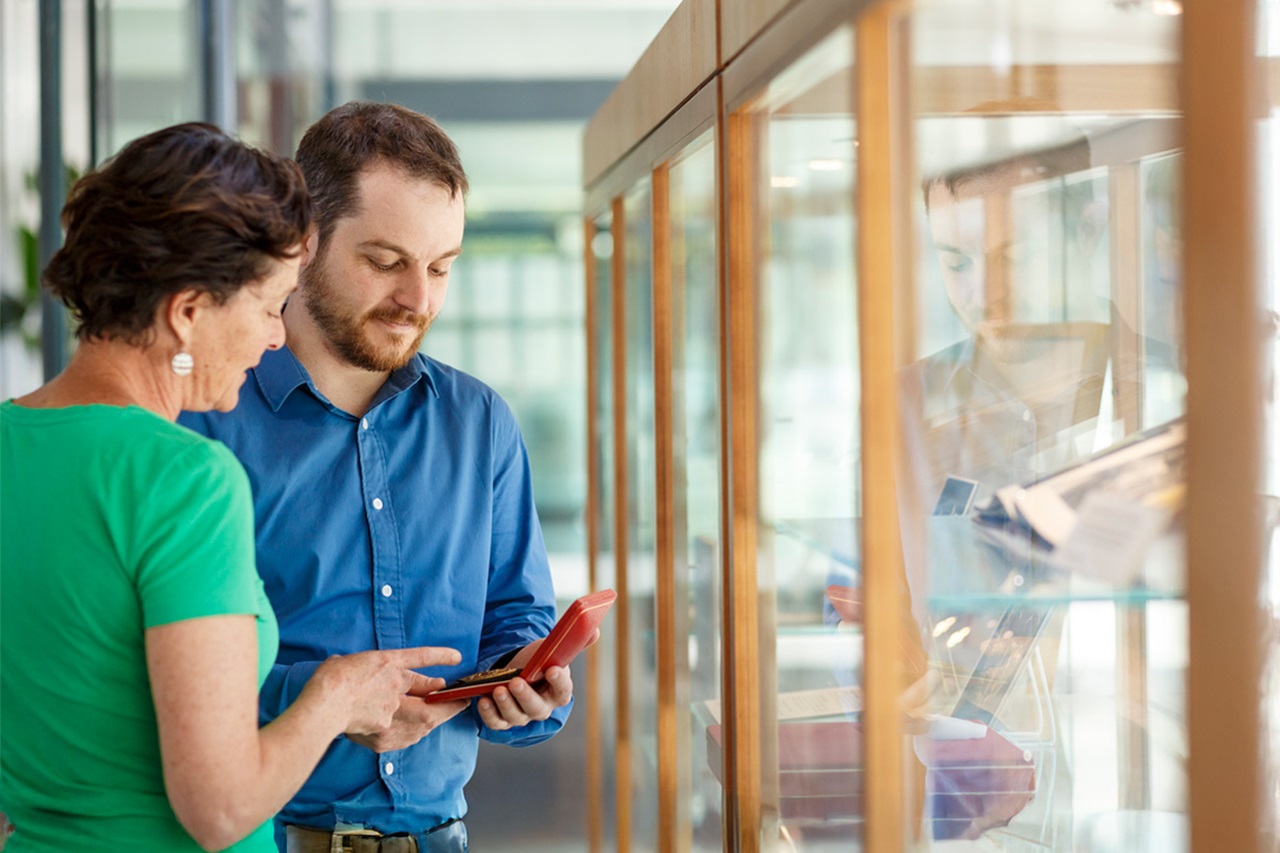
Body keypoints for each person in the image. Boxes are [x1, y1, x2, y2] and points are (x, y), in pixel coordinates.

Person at [0, 122, 462, 853]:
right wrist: (337, 695)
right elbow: (217, 810)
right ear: (188, 312)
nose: (276, 337)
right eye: (268, 305)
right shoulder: (186, 479)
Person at [179, 101, 574, 853]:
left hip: (440, 838)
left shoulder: (480, 422)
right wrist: (331, 699)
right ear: (305, 242)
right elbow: (161, 681)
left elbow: (518, 618)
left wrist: (527, 682)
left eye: (441, 267)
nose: (418, 300)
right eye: (386, 262)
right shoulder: (206, 419)